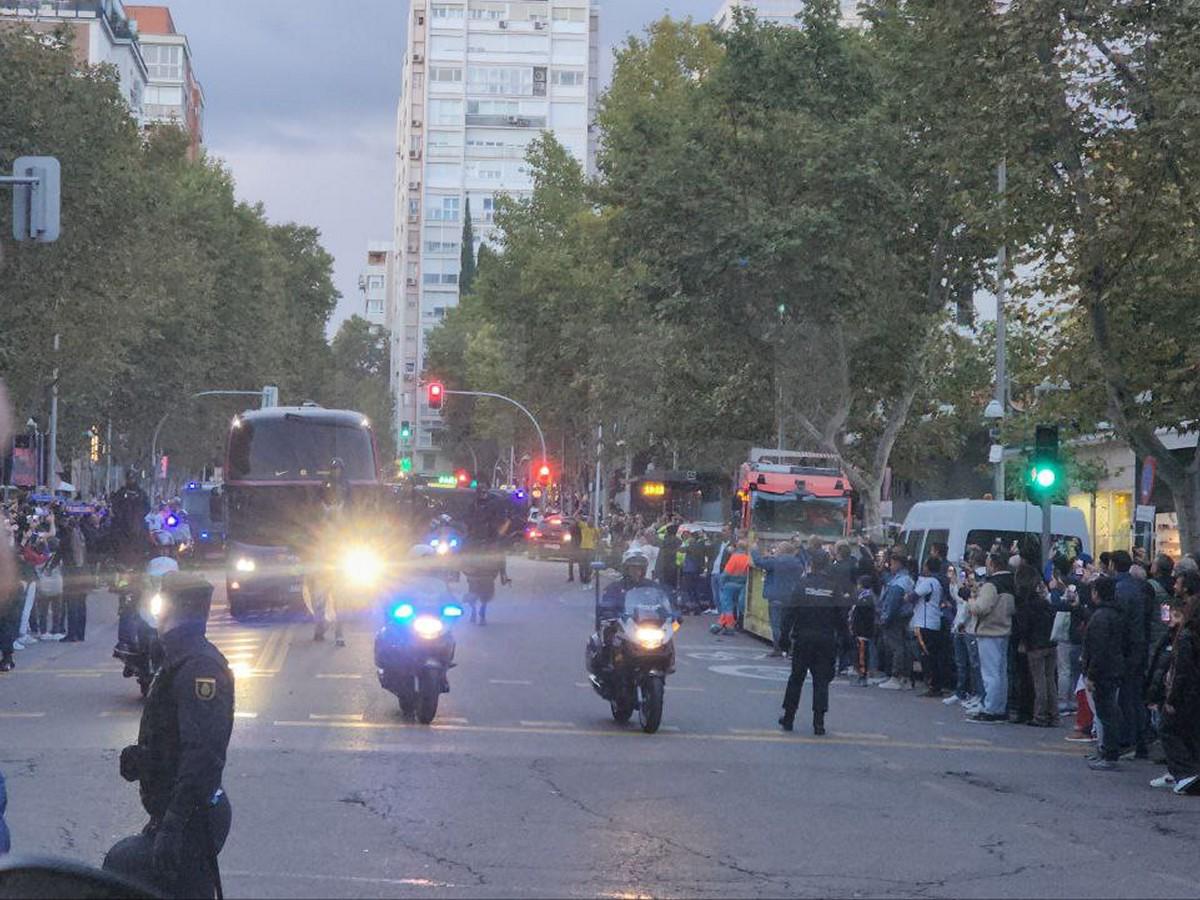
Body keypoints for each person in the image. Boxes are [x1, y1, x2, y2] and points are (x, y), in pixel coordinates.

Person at [104, 572, 234, 898]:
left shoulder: (199, 667)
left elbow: (203, 754)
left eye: (160, 601)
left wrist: (174, 825)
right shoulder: (175, 658)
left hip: (193, 818)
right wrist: (144, 758)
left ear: (172, 606)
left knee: (124, 866)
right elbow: (173, 737)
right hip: (176, 814)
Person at [778, 551, 848, 735]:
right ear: (826, 566)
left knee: (796, 678)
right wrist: (844, 640)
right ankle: (819, 723)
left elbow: (789, 613)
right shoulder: (834, 588)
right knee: (821, 681)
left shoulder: (802, 585)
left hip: (803, 638)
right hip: (825, 639)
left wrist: (784, 637)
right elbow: (842, 617)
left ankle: (788, 717)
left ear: (811, 565)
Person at [965, 552, 1015, 723]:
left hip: (989, 631)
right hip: (1004, 629)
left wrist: (971, 601)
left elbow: (981, 608)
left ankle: (991, 709)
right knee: (1001, 673)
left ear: (993, 564)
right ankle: (1000, 707)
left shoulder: (991, 584)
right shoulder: (1011, 582)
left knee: (990, 674)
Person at [1083, 576, 1125, 771]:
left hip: (1104, 671)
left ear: (1097, 593)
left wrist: (1091, 673)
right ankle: (1107, 750)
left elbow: (1098, 649)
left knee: (1106, 712)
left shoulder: (1101, 617)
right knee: (1108, 711)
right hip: (1113, 668)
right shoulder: (1114, 614)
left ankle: (1109, 753)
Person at [1112, 550, 1150, 757]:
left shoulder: (1122, 589)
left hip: (1127, 648)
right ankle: (1138, 739)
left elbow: (1121, 621)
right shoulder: (1137, 587)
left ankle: (1129, 740)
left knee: (1126, 696)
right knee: (1134, 695)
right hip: (1138, 645)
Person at [1013, 562, 1059, 727]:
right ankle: (1053, 714)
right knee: (1050, 681)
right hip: (1050, 643)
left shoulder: (1024, 606)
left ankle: (1040, 715)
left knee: (1039, 681)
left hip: (1035, 645)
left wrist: (1023, 643)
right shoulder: (1044, 603)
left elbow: (1024, 628)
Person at [751, 541, 807, 658]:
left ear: (781, 550)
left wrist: (754, 550)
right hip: (791, 597)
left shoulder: (775, 561)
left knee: (776, 625)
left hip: (776, 596)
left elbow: (759, 562)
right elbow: (805, 563)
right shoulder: (797, 563)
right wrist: (801, 548)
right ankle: (791, 649)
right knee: (789, 625)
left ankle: (778, 648)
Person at [877, 552, 916, 690]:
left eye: (892, 563)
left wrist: (884, 618)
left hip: (895, 618)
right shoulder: (906, 579)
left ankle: (896, 676)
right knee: (904, 646)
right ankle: (905, 678)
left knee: (896, 647)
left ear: (899, 564)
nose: (890, 566)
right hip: (904, 617)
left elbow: (892, 603)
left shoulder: (899, 582)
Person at [911, 557, 946, 698]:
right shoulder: (938, 582)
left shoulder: (929, 582)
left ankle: (933, 685)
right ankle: (935, 684)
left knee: (927, 655)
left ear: (927, 567)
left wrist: (906, 596)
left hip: (925, 622)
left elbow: (913, 596)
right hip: (934, 621)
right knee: (933, 655)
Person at [713, 541, 751, 635]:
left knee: (727, 606)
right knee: (737, 605)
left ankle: (729, 626)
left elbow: (726, 573)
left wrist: (721, 583)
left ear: (737, 547)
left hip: (730, 584)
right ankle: (721, 623)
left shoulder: (734, 558)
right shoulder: (748, 558)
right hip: (742, 585)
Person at [849, 576, 876, 686]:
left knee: (862, 654)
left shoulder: (866, 598)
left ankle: (863, 675)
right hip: (860, 630)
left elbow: (863, 616)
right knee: (860, 652)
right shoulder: (863, 597)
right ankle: (861, 674)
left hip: (862, 631)